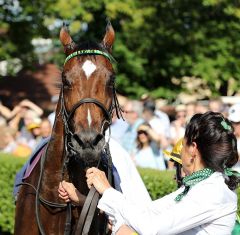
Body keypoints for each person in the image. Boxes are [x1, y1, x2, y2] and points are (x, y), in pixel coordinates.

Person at [59, 111, 239, 235]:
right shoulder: (197, 186)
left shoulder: (212, 192)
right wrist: (84, 200)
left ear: (193, 148)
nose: (181, 149)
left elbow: (152, 227)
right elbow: (146, 211)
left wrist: (107, 190)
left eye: (183, 144)